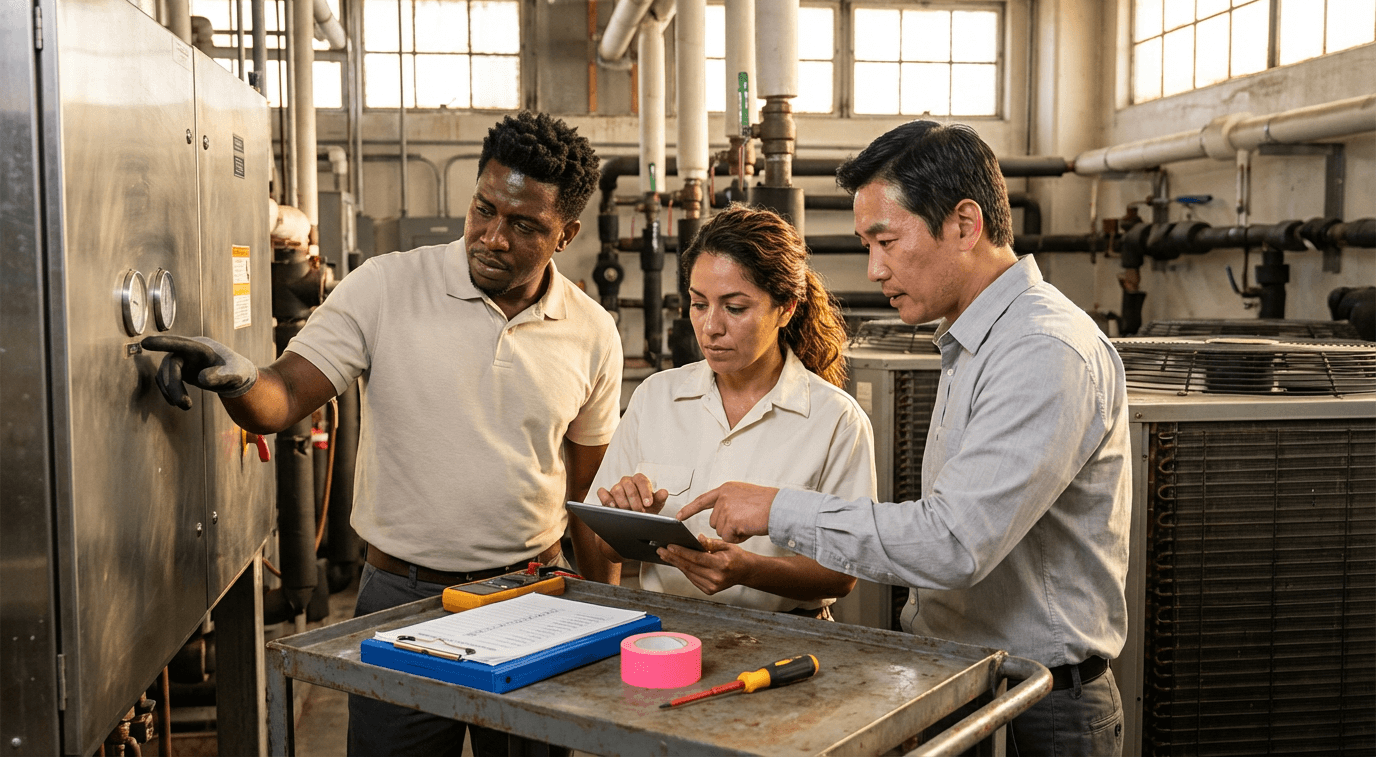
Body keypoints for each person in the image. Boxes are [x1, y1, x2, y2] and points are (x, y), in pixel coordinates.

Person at [141, 112, 620, 757]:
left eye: (524, 226)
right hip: (402, 601)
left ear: (566, 234)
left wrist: (607, 621)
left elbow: (589, 491)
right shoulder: (387, 286)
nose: (493, 237)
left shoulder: (592, 332)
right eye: (483, 209)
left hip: (531, 596)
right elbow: (282, 395)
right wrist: (236, 380)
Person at [679, 122, 1132, 756]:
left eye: (886, 240)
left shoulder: (1041, 351)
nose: (874, 269)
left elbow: (951, 542)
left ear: (964, 225)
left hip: (1040, 704)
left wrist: (778, 507)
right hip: (966, 675)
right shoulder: (973, 341)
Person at [583, 204, 876, 617]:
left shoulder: (835, 421)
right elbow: (605, 546)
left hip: (788, 637)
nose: (710, 327)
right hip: (667, 633)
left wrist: (749, 571)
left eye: (734, 308)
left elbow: (841, 574)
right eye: (699, 304)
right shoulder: (656, 398)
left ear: (786, 308)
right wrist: (625, 517)